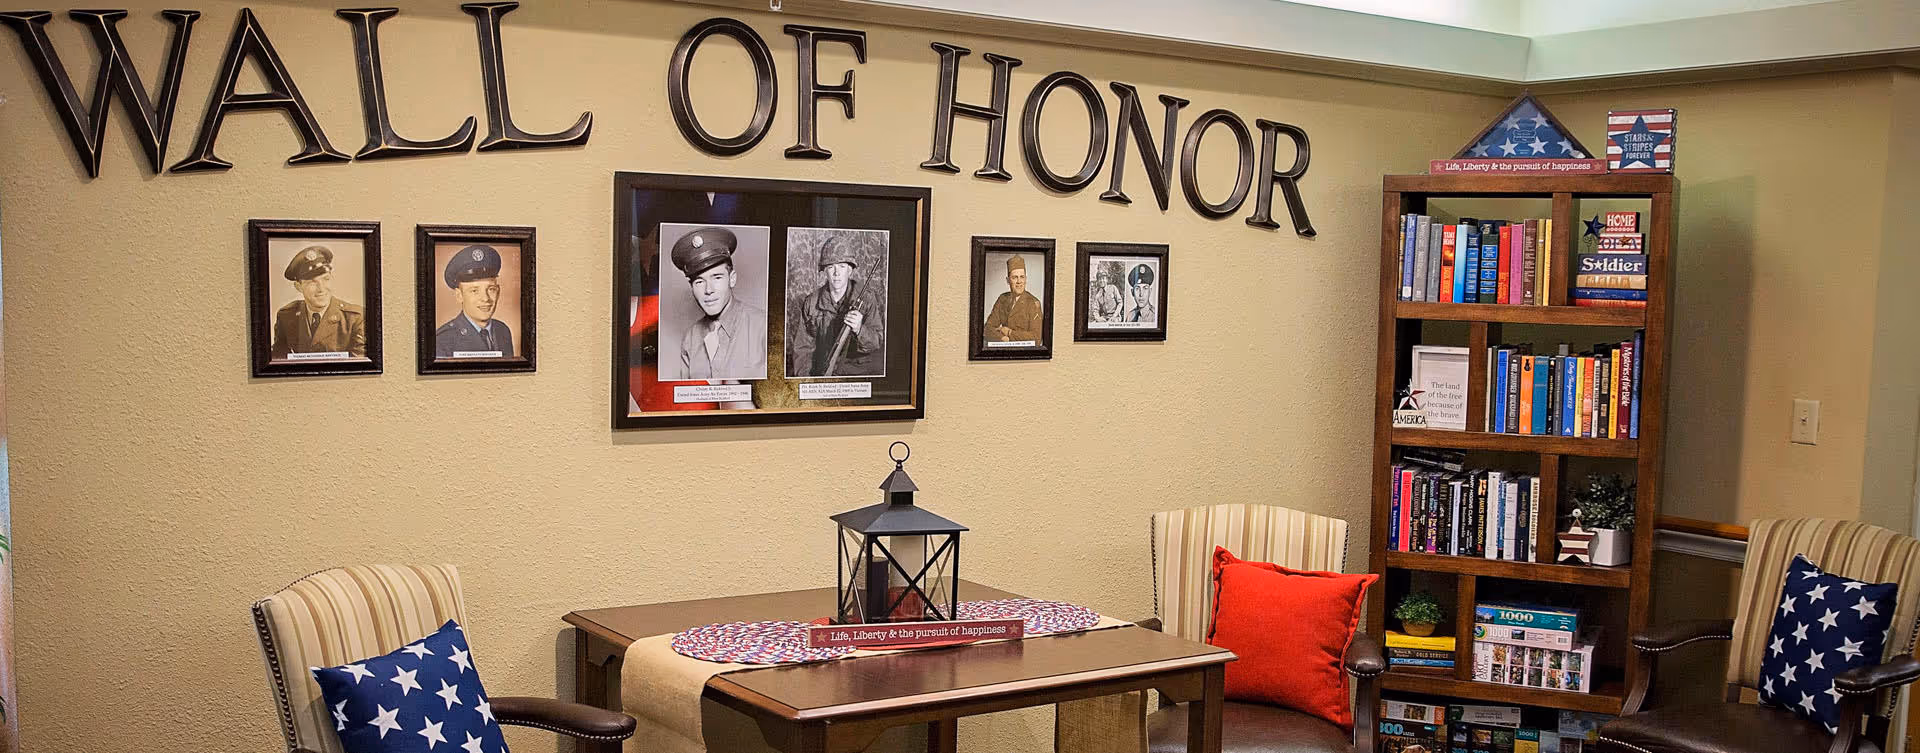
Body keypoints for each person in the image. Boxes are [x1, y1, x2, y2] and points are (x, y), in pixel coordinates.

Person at [670, 226, 767, 380]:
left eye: (717, 277)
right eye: (699, 282)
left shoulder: (764, 327)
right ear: (691, 287)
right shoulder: (691, 338)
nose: (708, 290)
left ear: (732, 279)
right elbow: (689, 401)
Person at [795, 237, 880, 376]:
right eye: (830, 267)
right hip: (824, 372)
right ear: (824, 272)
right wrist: (806, 384)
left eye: (842, 266)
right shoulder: (811, 303)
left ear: (850, 270)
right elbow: (802, 350)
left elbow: (876, 344)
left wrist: (860, 329)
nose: (836, 273)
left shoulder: (867, 298)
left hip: (857, 374)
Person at [269, 245, 368, 359]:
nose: (321, 288)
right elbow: (279, 361)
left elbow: (358, 367)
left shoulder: (355, 318)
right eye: (312, 282)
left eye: (326, 279)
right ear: (298, 287)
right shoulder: (286, 316)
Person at [434, 244, 514, 358]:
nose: (485, 298)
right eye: (474, 291)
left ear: (498, 291)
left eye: (491, 289)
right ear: (459, 295)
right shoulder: (443, 340)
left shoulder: (503, 331)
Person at [983, 255, 1043, 343]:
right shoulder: (1002, 299)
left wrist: (1009, 333)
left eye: (1022, 277)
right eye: (1014, 277)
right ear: (1008, 280)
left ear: (1026, 279)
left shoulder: (1033, 303)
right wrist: (1002, 338)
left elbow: (1036, 338)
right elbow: (987, 329)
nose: (1019, 282)